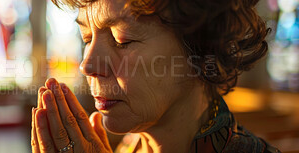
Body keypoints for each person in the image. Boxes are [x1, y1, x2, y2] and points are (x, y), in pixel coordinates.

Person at [31, 0, 281, 152]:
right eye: (87, 38)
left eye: (122, 40)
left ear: (202, 50)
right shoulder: (132, 145)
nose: (87, 65)